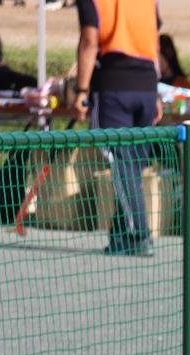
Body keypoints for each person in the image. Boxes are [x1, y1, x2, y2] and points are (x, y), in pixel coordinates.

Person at [72, 0, 164, 255]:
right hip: (146, 85)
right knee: (133, 163)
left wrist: (81, 89)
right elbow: (154, 42)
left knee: (121, 162)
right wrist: (155, 91)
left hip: (114, 84)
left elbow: (89, 40)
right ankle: (121, 234)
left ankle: (139, 234)